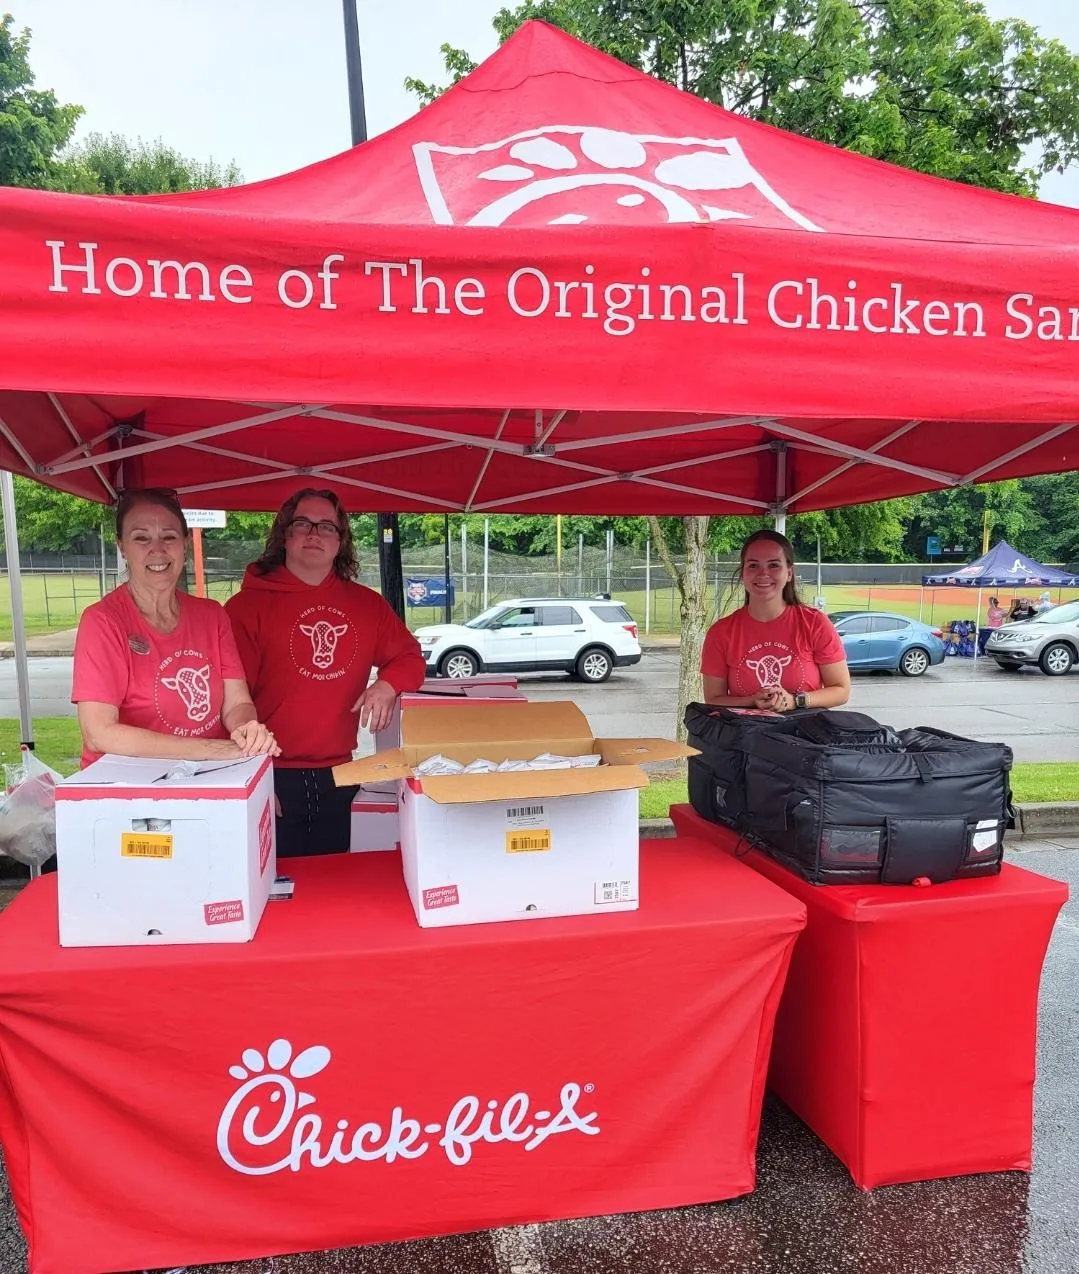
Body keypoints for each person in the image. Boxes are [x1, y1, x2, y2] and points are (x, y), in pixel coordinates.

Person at [225, 488, 425, 857]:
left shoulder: (366, 605)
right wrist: (250, 777)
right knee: (276, 892)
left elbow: (410, 656)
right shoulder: (245, 608)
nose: (314, 534)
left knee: (336, 890)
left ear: (340, 541)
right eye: (303, 524)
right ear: (285, 534)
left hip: (341, 775)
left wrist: (387, 684)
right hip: (269, 774)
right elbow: (230, 705)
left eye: (326, 527)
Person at [72, 488, 279, 768]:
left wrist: (246, 728)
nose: (157, 549)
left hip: (207, 777)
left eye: (168, 537)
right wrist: (212, 749)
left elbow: (236, 703)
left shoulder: (212, 615)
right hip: (129, 791)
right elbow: (99, 733)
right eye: (141, 538)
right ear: (122, 546)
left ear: (184, 543)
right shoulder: (103, 621)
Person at [702, 529, 851, 712]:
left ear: (789, 573)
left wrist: (796, 700)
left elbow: (841, 690)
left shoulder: (815, 623)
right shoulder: (721, 632)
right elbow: (713, 698)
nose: (763, 573)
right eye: (753, 565)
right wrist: (752, 700)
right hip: (745, 737)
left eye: (773, 565)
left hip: (805, 736)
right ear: (743, 574)